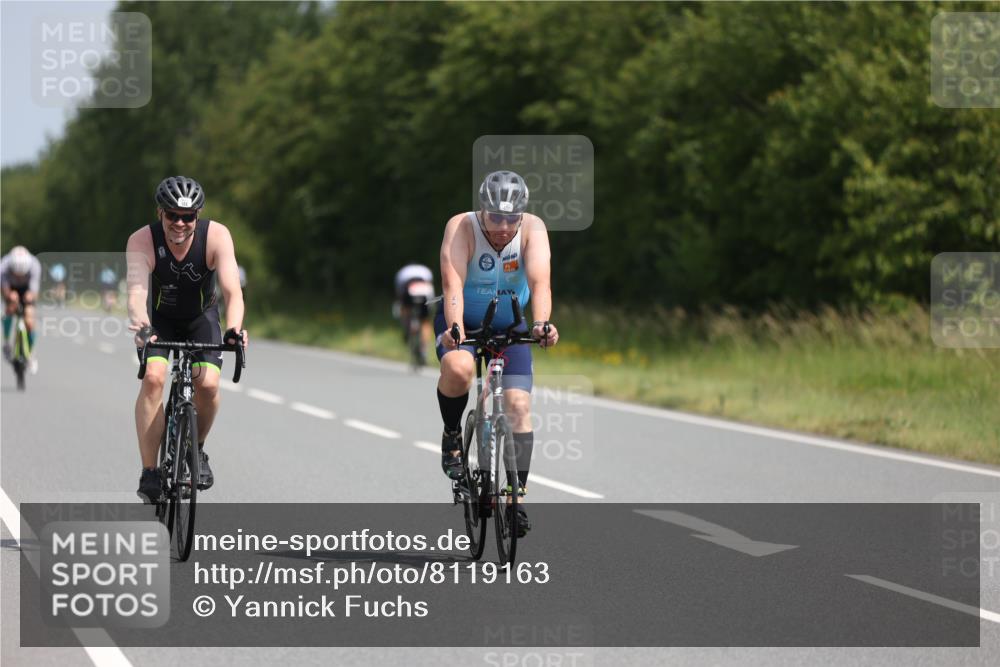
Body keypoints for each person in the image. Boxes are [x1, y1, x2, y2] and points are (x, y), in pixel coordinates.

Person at [435, 170, 559, 537]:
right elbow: (452, 282)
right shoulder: (461, 226)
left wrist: (542, 324)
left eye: (511, 218)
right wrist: (455, 326)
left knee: (518, 406)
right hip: (465, 324)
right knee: (458, 369)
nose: (503, 226)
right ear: (482, 210)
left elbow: (540, 282)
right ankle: (452, 434)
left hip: (512, 326)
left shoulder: (533, 229)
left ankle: (514, 496)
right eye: (495, 217)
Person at [126, 176, 247, 504]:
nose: (180, 223)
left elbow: (232, 292)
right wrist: (141, 325)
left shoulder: (216, 236)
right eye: (172, 215)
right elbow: (137, 293)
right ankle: (150, 471)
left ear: (198, 214)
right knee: (153, 379)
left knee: (207, 385)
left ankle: (197, 450)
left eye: (188, 216)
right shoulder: (142, 240)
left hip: (200, 320)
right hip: (159, 321)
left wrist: (234, 329)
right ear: (160, 213)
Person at [1, 246, 41, 373]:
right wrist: (9, 295)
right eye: (15, 274)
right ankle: (7, 342)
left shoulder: (35, 265)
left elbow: (34, 291)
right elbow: (4, 288)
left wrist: (30, 296)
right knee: (10, 308)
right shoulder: (4, 267)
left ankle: (31, 354)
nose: (18, 277)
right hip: (10, 288)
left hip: (27, 288)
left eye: (21, 274)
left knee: (29, 319)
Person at [393, 263, 435, 361]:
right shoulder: (426, 271)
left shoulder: (402, 273)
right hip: (425, 292)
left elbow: (399, 293)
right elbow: (430, 290)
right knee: (425, 321)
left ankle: (407, 329)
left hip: (409, 291)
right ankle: (424, 349)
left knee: (405, 309)